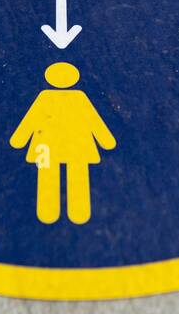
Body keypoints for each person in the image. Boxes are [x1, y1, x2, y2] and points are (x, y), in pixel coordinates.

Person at [10, 63, 116, 224]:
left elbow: (29, 122)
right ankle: (78, 212)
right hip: (78, 145)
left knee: (48, 174)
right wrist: (106, 141)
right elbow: (95, 122)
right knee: (77, 174)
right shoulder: (78, 98)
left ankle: (48, 211)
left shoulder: (46, 97)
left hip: (46, 144)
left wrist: (18, 140)